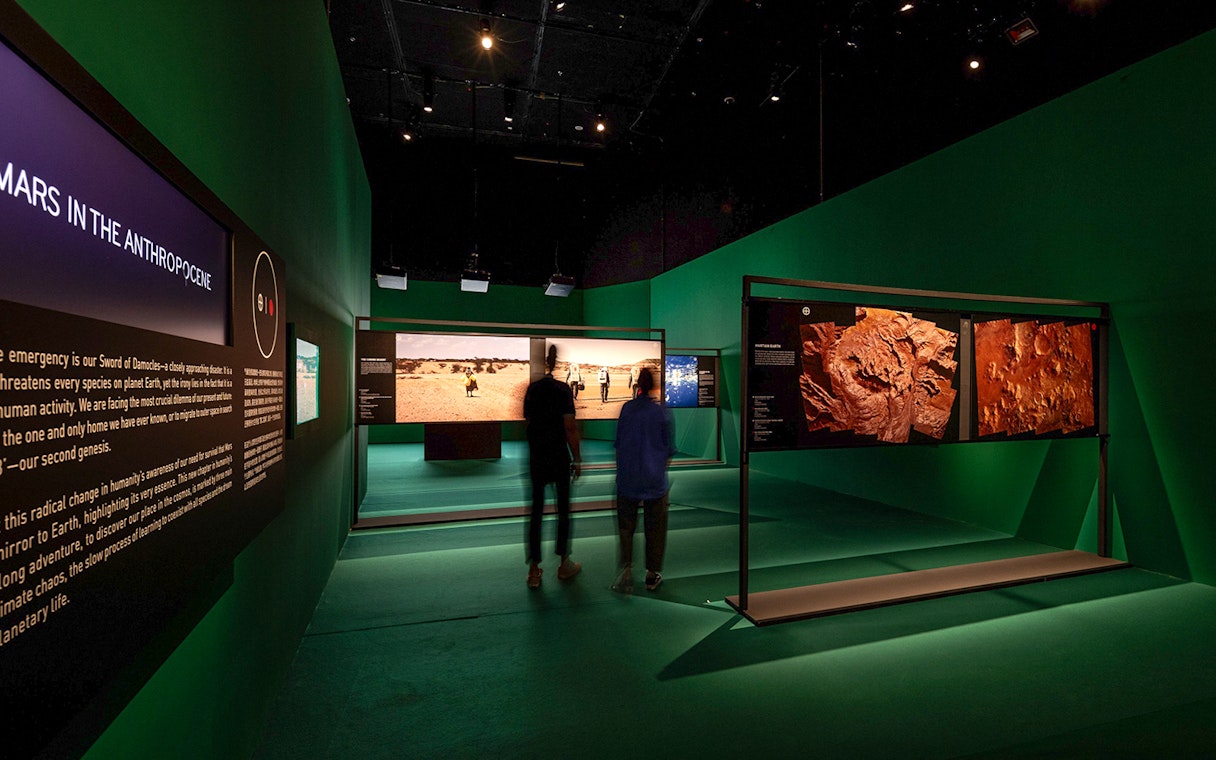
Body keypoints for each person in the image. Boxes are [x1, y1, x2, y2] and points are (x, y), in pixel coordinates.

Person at [523, 345, 583, 588]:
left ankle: (534, 570)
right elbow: (569, 427)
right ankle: (564, 563)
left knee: (536, 512)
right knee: (563, 511)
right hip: (558, 456)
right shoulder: (563, 390)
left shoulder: (532, 390)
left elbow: (528, 422)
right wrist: (577, 458)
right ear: (556, 363)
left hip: (537, 457)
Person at [612, 367, 674, 593]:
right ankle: (651, 574)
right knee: (655, 529)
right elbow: (669, 449)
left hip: (628, 479)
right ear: (654, 385)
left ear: (637, 384)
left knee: (626, 528)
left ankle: (626, 572)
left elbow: (618, 444)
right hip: (654, 481)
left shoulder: (627, 409)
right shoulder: (662, 413)